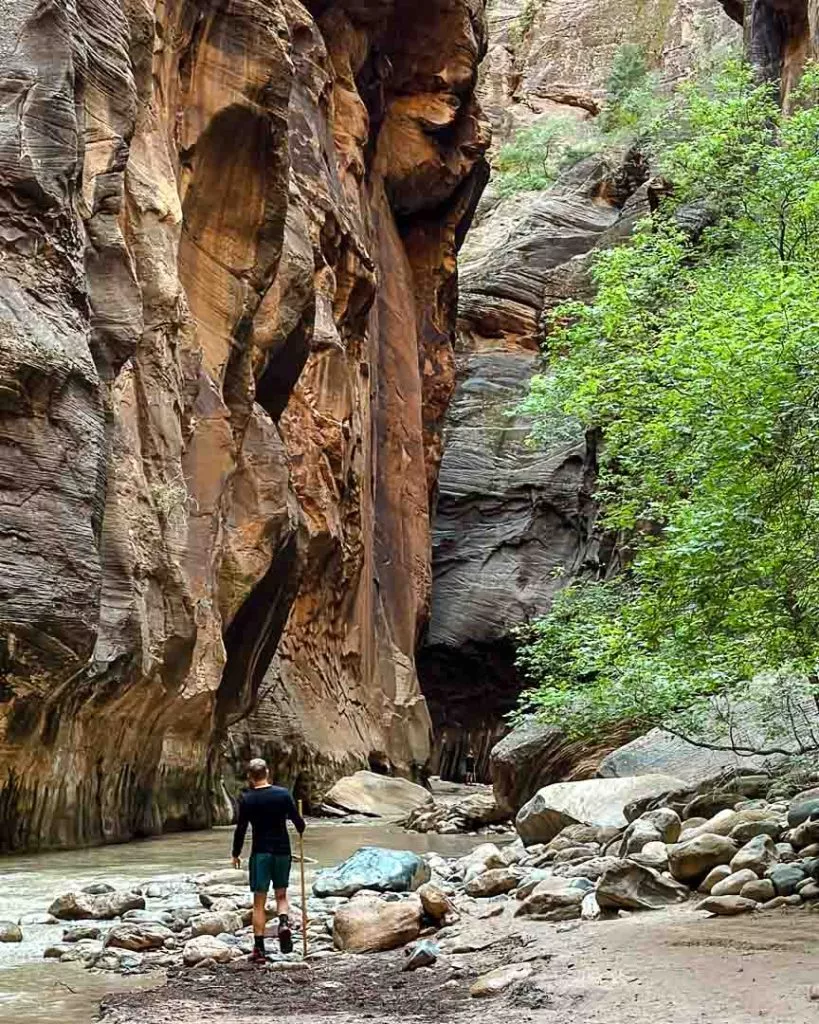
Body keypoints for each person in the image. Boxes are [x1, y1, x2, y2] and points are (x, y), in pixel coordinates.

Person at [231, 758, 306, 962]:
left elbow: (241, 829)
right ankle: (283, 923)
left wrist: (236, 853)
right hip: (282, 851)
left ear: (250, 776)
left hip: (260, 853)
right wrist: (300, 825)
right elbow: (299, 823)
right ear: (267, 772)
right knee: (281, 895)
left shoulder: (247, 799)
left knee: (259, 902)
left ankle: (259, 950)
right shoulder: (283, 794)